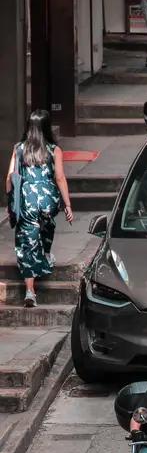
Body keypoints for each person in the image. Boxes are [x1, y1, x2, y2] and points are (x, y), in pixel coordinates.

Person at [5, 110, 73, 308]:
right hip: (48, 201)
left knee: (27, 242)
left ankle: (29, 291)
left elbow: (10, 177)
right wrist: (67, 204)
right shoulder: (54, 150)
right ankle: (46, 256)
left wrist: (11, 203)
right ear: (46, 128)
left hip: (27, 200)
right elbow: (59, 177)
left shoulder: (19, 149)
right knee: (46, 228)